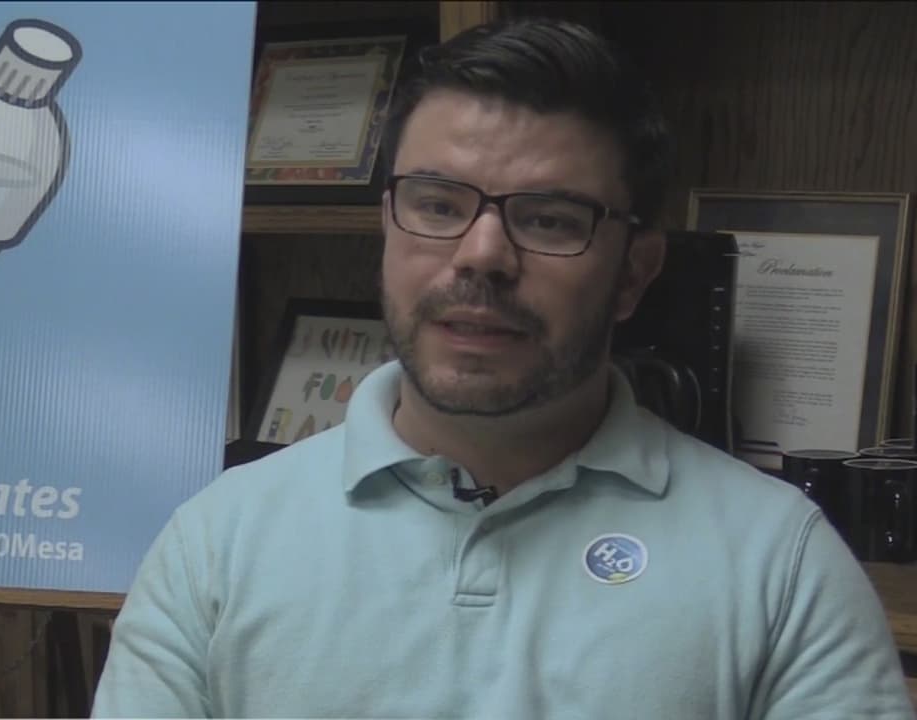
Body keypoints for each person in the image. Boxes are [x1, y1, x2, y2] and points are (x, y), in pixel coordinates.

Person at [91, 16, 915, 719]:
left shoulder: (781, 565)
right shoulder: (216, 546)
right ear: (387, 227)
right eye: (437, 205)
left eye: (550, 219)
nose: (481, 255)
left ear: (634, 273)